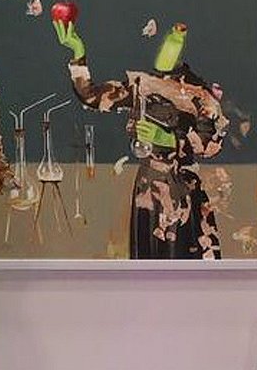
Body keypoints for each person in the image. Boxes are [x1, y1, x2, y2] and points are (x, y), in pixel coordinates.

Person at [54, 17, 228, 259]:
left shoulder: (199, 94)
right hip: (146, 191)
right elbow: (92, 96)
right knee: (147, 259)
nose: (166, 45)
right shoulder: (141, 85)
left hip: (182, 191)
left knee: (181, 260)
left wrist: (167, 139)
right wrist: (78, 53)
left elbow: (210, 143)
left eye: (175, 38)